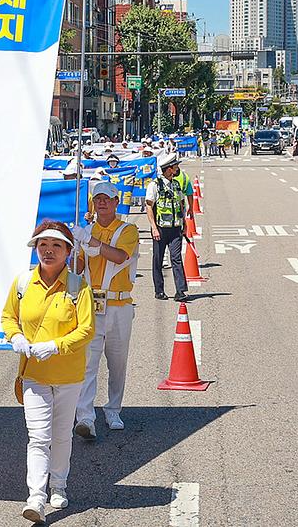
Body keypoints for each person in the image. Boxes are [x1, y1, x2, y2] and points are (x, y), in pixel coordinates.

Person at [2, 221, 94, 523]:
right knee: (38, 437)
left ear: (68, 251)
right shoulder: (22, 283)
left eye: (56, 245)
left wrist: (55, 346)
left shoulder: (78, 287)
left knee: (62, 434)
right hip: (34, 375)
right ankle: (36, 497)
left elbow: (86, 330)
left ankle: (59, 485)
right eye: (43, 245)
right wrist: (15, 336)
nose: (48, 251)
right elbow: (8, 317)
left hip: (68, 375)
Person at [72, 182, 139, 439]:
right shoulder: (86, 231)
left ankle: (113, 410)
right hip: (91, 305)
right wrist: (74, 248)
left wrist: (90, 241)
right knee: (88, 364)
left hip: (119, 305)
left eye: (107, 199)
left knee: (117, 363)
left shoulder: (127, 230)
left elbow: (120, 256)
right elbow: (77, 269)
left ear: (115, 202)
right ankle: (85, 417)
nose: (102, 202)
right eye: (97, 198)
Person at [146, 152, 189, 301]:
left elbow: (181, 204)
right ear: (169, 169)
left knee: (176, 258)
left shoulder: (176, 184)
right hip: (160, 228)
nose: (177, 168)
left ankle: (180, 291)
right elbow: (149, 206)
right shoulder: (154, 185)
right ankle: (159, 291)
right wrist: (153, 227)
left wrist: (184, 223)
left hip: (176, 228)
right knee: (158, 260)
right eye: (175, 166)